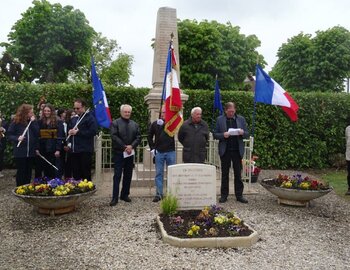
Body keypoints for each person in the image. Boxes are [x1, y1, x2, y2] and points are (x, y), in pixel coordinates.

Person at [213, 102, 249, 203]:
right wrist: (222, 135)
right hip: (225, 150)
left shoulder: (241, 119)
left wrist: (242, 133)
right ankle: (224, 195)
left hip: (237, 151)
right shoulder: (220, 120)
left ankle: (239, 195)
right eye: (229, 112)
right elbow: (215, 134)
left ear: (235, 110)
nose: (231, 113)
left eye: (233, 111)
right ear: (225, 111)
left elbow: (247, 133)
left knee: (238, 174)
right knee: (225, 174)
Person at [110, 104, 141, 206]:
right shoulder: (115, 123)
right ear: (121, 112)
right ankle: (115, 197)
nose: (127, 113)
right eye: (125, 112)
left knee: (128, 175)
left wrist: (131, 146)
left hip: (130, 153)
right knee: (117, 175)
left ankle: (125, 194)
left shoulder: (135, 124)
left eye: (129, 112)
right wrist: (124, 147)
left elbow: (138, 137)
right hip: (119, 153)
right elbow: (114, 136)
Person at [147, 107, 176, 202]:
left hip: (170, 151)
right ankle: (159, 194)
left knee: (171, 174)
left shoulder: (172, 123)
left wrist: (164, 124)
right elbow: (149, 136)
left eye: (166, 112)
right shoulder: (155, 124)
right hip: (159, 152)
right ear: (160, 113)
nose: (164, 114)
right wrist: (152, 148)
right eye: (163, 112)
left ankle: (171, 193)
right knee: (159, 173)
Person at [7, 104, 40, 186]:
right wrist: (17, 138)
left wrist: (32, 123)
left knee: (28, 171)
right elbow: (9, 135)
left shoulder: (33, 122)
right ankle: (19, 187)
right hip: (20, 152)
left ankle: (26, 187)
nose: (32, 114)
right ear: (25, 113)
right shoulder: (16, 122)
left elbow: (37, 133)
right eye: (30, 112)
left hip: (31, 151)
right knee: (21, 171)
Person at [67, 98, 97, 181]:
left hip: (85, 150)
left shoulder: (90, 118)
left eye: (78, 108)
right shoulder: (73, 119)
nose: (76, 110)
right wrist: (69, 132)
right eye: (74, 108)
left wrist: (78, 132)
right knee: (76, 173)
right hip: (74, 150)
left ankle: (87, 190)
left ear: (83, 107)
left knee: (85, 173)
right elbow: (69, 130)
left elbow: (93, 132)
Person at [37, 104, 64, 178]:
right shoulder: (40, 121)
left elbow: (60, 136)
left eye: (48, 111)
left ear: (52, 112)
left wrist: (58, 149)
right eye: (45, 111)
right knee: (46, 169)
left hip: (54, 149)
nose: (46, 112)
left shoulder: (58, 122)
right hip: (44, 149)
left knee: (55, 169)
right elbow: (38, 136)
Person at [0, 112, 9, 178]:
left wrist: (4, 130)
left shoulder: (4, 122)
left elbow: (8, 131)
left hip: (1, 142)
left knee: (1, 156)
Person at [345, 124, 350, 195]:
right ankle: (349, 189)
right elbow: (347, 140)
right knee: (349, 173)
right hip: (349, 155)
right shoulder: (348, 128)